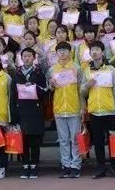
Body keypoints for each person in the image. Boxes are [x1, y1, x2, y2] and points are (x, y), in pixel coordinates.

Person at [80, 41, 115, 179]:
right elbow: (82, 93)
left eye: (97, 49)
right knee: (98, 142)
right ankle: (100, 168)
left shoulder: (110, 69)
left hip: (110, 111)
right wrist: (87, 85)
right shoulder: (87, 70)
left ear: (102, 52)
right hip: (95, 112)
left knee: (113, 141)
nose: (94, 52)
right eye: (92, 50)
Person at [10, 47, 47, 179]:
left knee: (35, 142)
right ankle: (25, 166)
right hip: (22, 112)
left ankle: (34, 166)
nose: (26, 58)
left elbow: (45, 93)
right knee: (24, 141)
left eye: (29, 56)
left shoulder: (39, 73)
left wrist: (34, 87)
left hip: (36, 112)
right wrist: (13, 116)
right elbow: (13, 96)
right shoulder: (17, 74)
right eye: (24, 56)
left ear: (34, 58)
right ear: (21, 58)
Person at [47, 42, 83, 178]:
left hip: (74, 108)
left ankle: (76, 165)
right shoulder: (52, 69)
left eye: (65, 50)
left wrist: (82, 107)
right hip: (59, 108)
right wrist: (51, 85)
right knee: (63, 139)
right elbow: (49, 89)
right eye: (59, 50)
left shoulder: (76, 68)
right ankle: (66, 165)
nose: (62, 53)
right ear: (56, 53)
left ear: (70, 52)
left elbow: (81, 89)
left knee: (75, 139)